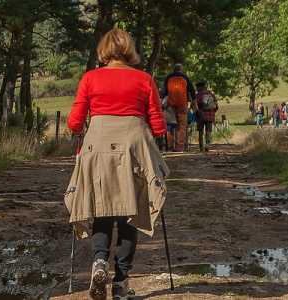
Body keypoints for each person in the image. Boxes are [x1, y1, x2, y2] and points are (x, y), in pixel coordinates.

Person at [64, 28, 170, 300]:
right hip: (133, 145)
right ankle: (121, 283)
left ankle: (99, 262)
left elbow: (75, 122)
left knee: (100, 207)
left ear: (103, 51)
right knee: (129, 214)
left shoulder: (90, 78)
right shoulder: (144, 79)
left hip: (97, 146)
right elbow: (158, 125)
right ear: (129, 50)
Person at [159, 64, 197, 151]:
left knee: (170, 125)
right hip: (182, 104)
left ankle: (170, 146)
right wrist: (194, 103)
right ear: (181, 70)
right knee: (182, 126)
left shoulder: (168, 78)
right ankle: (181, 147)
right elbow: (193, 92)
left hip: (171, 105)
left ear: (174, 70)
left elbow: (162, 93)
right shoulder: (185, 78)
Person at [193, 81, 219, 151]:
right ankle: (207, 144)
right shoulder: (212, 95)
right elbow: (216, 106)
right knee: (208, 131)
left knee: (200, 132)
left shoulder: (198, 95)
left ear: (199, 87)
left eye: (197, 87)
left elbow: (195, 106)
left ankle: (201, 147)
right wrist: (212, 112)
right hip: (210, 116)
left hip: (201, 116)